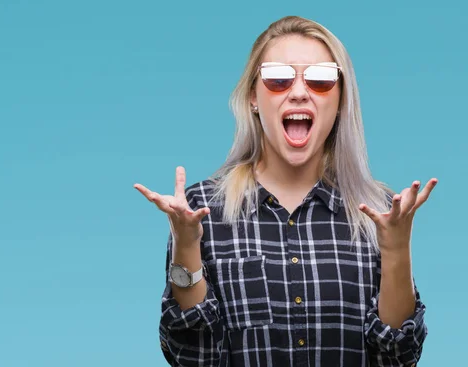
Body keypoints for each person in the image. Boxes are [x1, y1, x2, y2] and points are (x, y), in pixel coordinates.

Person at [134, 15, 436, 367]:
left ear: (339, 102)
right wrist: (186, 246)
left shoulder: (380, 212)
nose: (297, 91)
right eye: (278, 78)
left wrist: (397, 249)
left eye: (320, 79)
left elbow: (397, 359)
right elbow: (194, 357)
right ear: (253, 98)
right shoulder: (201, 210)